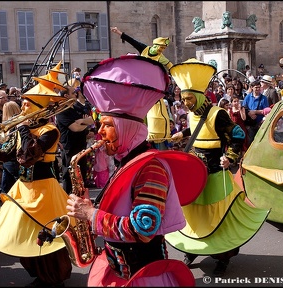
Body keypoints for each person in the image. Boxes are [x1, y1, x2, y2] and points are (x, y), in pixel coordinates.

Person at [65, 55, 206, 286]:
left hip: (143, 277)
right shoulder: (127, 159)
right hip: (120, 270)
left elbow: (143, 229)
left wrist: (91, 215)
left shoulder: (151, 167)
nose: (99, 133)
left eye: (107, 125)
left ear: (126, 128)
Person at [168, 58, 269, 276]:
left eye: (189, 99)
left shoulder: (217, 113)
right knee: (193, 215)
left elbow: (238, 134)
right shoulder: (190, 114)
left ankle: (223, 256)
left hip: (215, 174)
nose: (185, 103)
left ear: (199, 96)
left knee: (217, 216)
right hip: (194, 174)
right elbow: (197, 130)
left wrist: (230, 157)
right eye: (184, 99)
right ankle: (193, 249)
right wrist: (182, 134)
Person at [0, 74, 73, 287]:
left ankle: (53, 277)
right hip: (24, 189)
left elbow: (28, 158)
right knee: (26, 236)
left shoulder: (50, 131)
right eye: (22, 104)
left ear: (38, 107)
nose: (22, 109)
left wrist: (22, 128)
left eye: (25, 105)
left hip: (44, 190)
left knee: (46, 234)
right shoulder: (26, 129)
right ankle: (41, 276)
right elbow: (10, 155)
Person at [110, 26, 173, 151]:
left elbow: (171, 66)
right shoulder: (144, 49)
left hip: (151, 85)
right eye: (160, 47)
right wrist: (118, 32)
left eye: (163, 49)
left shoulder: (161, 58)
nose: (161, 50)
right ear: (154, 45)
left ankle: (154, 136)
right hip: (140, 82)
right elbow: (131, 41)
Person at [56, 86, 94, 194]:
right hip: (69, 148)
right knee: (69, 176)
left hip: (81, 147)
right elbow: (75, 128)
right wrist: (84, 125)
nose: (76, 94)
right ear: (66, 96)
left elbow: (91, 120)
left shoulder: (77, 107)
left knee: (81, 175)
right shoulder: (62, 111)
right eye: (73, 93)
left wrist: (81, 121)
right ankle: (67, 198)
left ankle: (81, 198)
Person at [242, 80, 269, 147]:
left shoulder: (264, 98)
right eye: (256, 87)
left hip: (260, 124)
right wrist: (249, 113)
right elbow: (243, 108)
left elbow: (266, 110)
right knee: (250, 142)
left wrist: (255, 112)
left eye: (259, 87)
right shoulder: (248, 97)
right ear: (252, 87)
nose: (258, 89)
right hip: (250, 125)